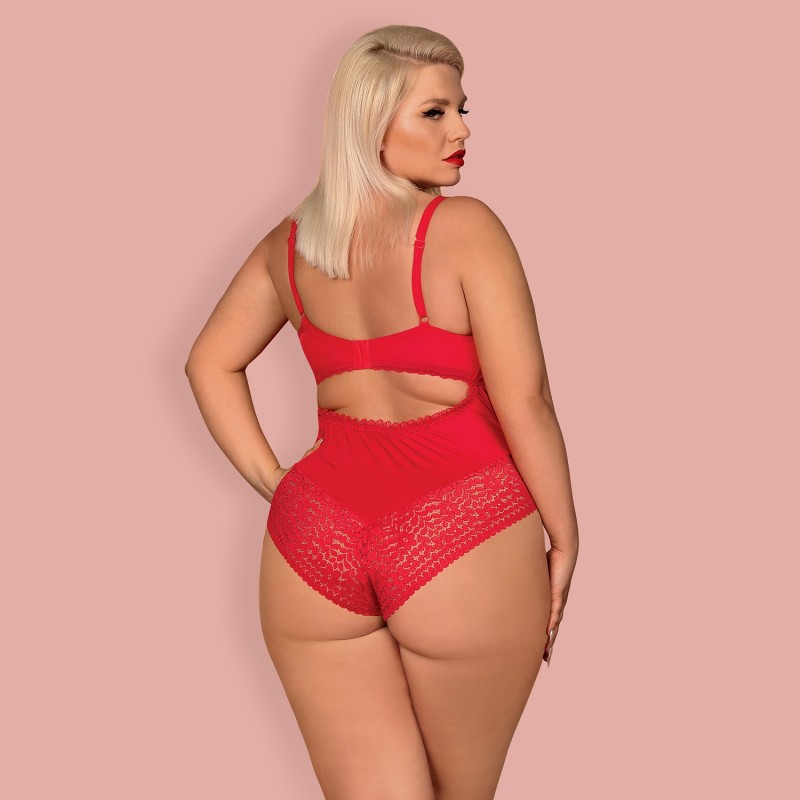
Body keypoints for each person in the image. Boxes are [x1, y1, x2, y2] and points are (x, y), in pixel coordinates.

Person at [185, 24, 579, 800]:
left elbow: (208, 363)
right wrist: (565, 536)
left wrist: (278, 485)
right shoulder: (465, 229)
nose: (461, 131)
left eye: (462, 109)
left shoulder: (291, 245)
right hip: (461, 530)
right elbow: (526, 399)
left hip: (315, 536)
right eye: (435, 112)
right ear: (369, 123)